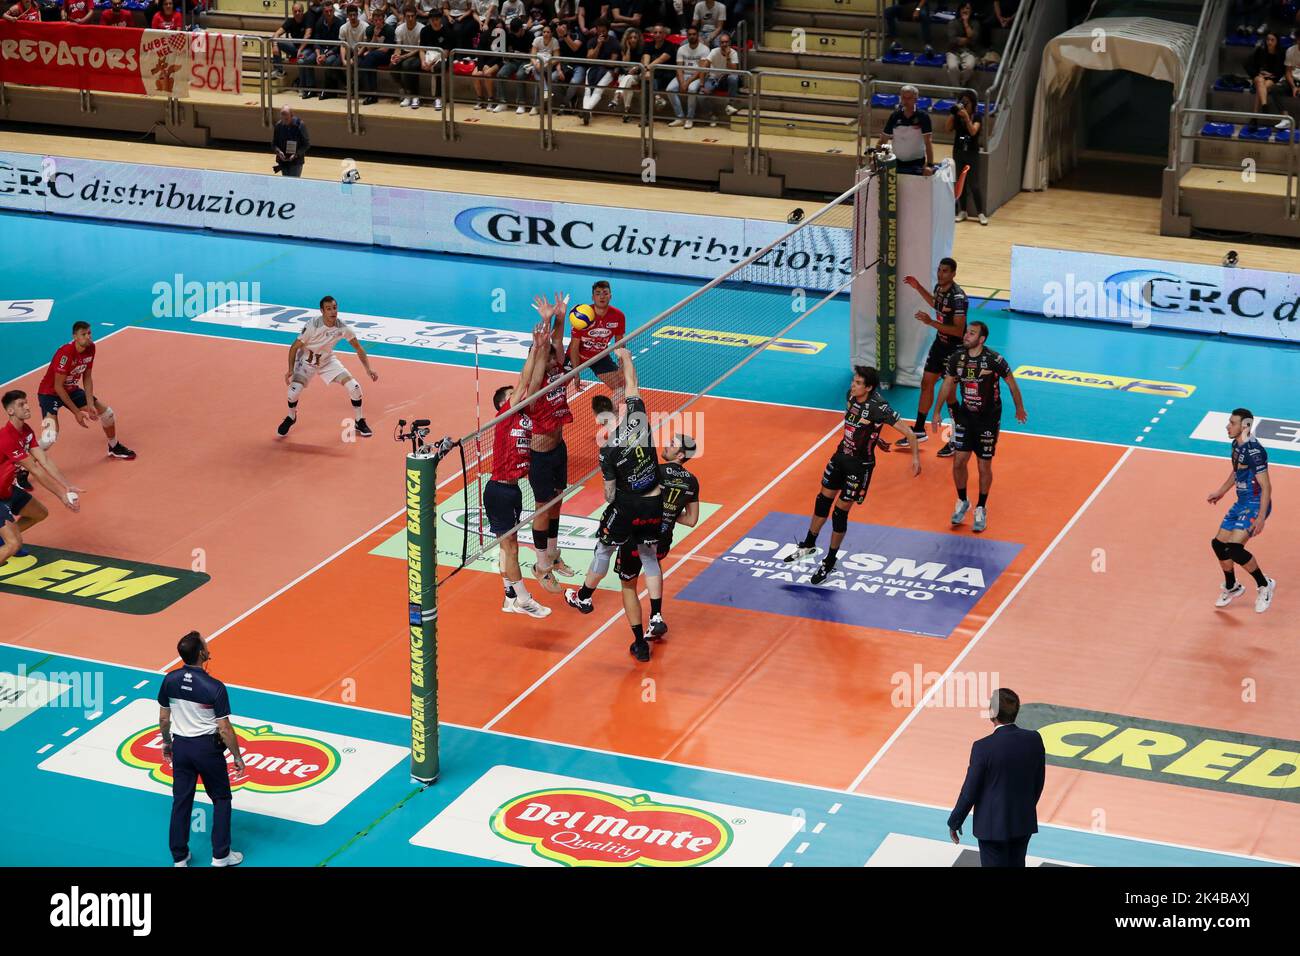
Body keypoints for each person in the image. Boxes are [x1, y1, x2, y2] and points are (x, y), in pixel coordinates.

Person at [564, 348, 662, 662]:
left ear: (600, 420)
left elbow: (608, 494)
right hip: (654, 504)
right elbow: (632, 384)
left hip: (627, 508)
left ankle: (584, 596)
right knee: (647, 554)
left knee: (604, 548)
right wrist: (627, 359)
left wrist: (619, 482)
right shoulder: (638, 418)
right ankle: (657, 615)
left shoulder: (607, 451)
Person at [784, 366, 920, 585]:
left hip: (859, 467)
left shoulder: (879, 407)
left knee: (839, 513)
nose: (852, 385)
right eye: (853, 381)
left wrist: (915, 459)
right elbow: (858, 426)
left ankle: (829, 561)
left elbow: (910, 434)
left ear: (869, 387)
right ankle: (808, 545)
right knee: (822, 501)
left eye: (858, 383)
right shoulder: (851, 396)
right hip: (840, 457)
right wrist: (877, 439)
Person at [485, 302, 561, 619]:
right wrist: (534, 348)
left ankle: (508, 595)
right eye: (513, 394)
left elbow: (533, 377)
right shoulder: (506, 417)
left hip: (513, 489)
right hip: (499, 490)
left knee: (508, 547)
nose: (520, 394)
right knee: (512, 548)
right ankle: (522, 598)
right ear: (504, 403)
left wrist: (542, 341)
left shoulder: (525, 414)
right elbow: (524, 379)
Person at [159, 632, 246, 868]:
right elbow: (225, 729)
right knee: (221, 798)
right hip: (207, 749)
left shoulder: (169, 680)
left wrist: (167, 743)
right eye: (206, 645)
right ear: (201, 654)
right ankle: (220, 856)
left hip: (182, 748)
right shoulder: (214, 687)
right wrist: (237, 756)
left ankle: (179, 858)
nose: (208, 648)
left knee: (181, 800)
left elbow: (164, 719)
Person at [931, 320, 1027, 533]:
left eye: (971, 334)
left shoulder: (994, 360)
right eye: (967, 332)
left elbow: (1011, 383)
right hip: (966, 415)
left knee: (984, 465)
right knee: (959, 462)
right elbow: (948, 383)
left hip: (989, 418)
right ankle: (962, 501)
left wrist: (1019, 408)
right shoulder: (957, 358)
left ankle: (981, 507)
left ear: (981, 339)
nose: (966, 335)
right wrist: (937, 411)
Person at [613, 432, 699, 643]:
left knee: (628, 585)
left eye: (672, 445)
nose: (667, 446)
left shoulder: (655, 472)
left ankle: (638, 640)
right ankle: (656, 616)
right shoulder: (692, 482)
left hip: (638, 535)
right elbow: (691, 520)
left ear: (680, 455)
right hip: (663, 540)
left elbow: (634, 500)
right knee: (653, 565)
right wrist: (670, 512)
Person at [947, 688, 1046, 868]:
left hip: (992, 828)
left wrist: (955, 821)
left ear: (992, 713)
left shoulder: (982, 748)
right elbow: (1038, 782)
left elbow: (970, 791)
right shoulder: (1034, 739)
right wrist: (1025, 808)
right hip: (1022, 822)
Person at [527, 302, 578, 593]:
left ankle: (554, 554)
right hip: (540, 455)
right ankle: (541, 566)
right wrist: (543, 328)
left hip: (559, 447)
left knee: (558, 502)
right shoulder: (535, 385)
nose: (553, 354)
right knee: (542, 509)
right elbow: (542, 348)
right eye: (546, 353)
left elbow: (556, 342)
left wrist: (559, 316)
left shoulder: (557, 370)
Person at [276, 296, 378, 439]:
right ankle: (291, 417)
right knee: (293, 393)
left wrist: (368, 369)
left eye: (335, 308)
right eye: (328, 309)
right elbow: (294, 348)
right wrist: (290, 369)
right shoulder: (313, 325)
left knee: (354, 387)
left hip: (327, 361)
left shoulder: (342, 327)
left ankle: (359, 420)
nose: (332, 312)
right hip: (306, 362)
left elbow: (359, 349)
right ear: (322, 311)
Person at [1207, 408, 1276, 613]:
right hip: (1242, 502)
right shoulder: (1236, 445)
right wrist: (1221, 491)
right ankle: (1232, 586)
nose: (1228, 426)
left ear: (1245, 426)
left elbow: (1266, 487)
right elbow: (1237, 472)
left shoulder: (1254, 452)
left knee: (1235, 549)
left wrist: (1261, 517)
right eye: (1229, 422)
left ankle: (1265, 586)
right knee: (1219, 544)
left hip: (1255, 504)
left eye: (1233, 423)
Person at [37, 321, 136, 461]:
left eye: (89, 333)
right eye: (83, 334)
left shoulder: (91, 348)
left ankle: (113, 447)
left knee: (107, 414)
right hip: (50, 393)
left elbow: (87, 377)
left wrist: (90, 404)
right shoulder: (65, 353)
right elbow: (58, 387)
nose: (88, 337)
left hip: (71, 390)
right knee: (50, 437)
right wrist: (77, 412)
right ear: (75, 337)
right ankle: (21, 467)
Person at [898, 258, 966, 457]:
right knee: (926, 383)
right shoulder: (939, 288)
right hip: (940, 345)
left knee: (950, 395)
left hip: (955, 349)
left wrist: (930, 323)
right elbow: (936, 304)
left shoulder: (959, 297)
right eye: (939, 270)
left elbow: (959, 330)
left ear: (953, 274)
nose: (940, 274)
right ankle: (919, 429)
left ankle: (957, 439)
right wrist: (918, 287)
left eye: (945, 271)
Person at [1, 390, 81, 549]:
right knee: (14, 544)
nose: (27, 407)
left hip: (6, 488)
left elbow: (44, 460)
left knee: (39, 513)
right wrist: (62, 496)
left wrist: (67, 485)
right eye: (21, 404)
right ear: (10, 411)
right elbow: (35, 470)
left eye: (26, 403)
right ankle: (8, 541)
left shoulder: (26, 431)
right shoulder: (6, 437)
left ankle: (3, 540)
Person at [566, 279, 626, 398]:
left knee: (621, 388)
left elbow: (620, 344)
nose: (602, 296)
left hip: (599, 356)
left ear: (610, 296)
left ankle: (613, 414)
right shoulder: (582, 314)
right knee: (555, 387)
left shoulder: (618, 316)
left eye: (605, 293)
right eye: (598, 293)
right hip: (578, 355)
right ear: (593, 297)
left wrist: (622, 365)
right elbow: (574, 346)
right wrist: (576, 373)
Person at [949, 91, 986, 224]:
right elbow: (947, 128)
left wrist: (966, 118)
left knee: (974, 184)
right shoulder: (957, 116)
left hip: (971, 151)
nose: (964, 104)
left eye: (967, 102)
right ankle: (962, 211)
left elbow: (973, 131)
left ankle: (981, 213)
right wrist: (953, 114)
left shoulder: (977, 116)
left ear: (973, 103)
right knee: (960, 183)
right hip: (958, 151)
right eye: (962, 101)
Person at [881, 84, 934, 175]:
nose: (906, 101)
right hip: (896, 161)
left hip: (916, 163)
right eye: (903, 98)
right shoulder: (894, 116)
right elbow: (883, 140)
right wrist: (875, 160)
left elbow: (928, 142)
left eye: (909, 98)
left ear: (915, 99)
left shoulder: (923, 116)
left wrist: (930, 165)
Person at [300, 0, 344, 98]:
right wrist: (318, 54)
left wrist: (326, 55)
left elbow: (339, 44)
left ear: (333, 11)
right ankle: (311, 89)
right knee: (307, 61)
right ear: (323, 12)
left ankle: (328, 90)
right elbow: (316, 40)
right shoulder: (319, 22)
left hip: (334, 51)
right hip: (321, 50)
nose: (329, 13)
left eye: (330, 11)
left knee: (328, 62)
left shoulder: (339, 23)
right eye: (326, 11)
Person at [667, 25, 709, 129]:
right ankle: (680, 117)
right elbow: (679, 68)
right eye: (689, 34)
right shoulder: (681, 49)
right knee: (670, 89)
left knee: (691, 89)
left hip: (698, 76)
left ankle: (690, 118)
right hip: (684, 74)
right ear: (687, 36)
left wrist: (687, 83)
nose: (692, 36)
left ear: (698, 36)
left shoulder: (705, 49)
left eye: (694, 34)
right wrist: (682, 82)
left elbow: (701, 70)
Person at [1246, 32, 1289, 127]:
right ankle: (1264, 105)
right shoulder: (1260, 51)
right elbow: (1247, 64)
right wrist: (1257, 74)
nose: (1269, 42)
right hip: (1260, 77)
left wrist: (1271, 74)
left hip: (1272, 78)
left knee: (1260, 87)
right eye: (1268, 39)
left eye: (1272, 40)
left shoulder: (1281, 53)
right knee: (1259, 81)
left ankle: (1255, 117)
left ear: (1277, 42)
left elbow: (1281, 71)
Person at [357, 7, 396, 104]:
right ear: (372, 20)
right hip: (372, 58)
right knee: (365, 63)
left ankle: (369, 93)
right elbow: (369, 48)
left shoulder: (389, 30)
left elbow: (386, 49)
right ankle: (372, 94)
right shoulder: (369, 29)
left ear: (383, 19)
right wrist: (374, 36)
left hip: (387, 57)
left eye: (380, 20)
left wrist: (370, 53)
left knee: (368, 59)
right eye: (376, 20)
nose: (378, 22)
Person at [392, 4, 425, 108]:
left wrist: (404, 57)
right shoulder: (399, 29)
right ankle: (405, 89)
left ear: (416, 16)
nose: (410, 18)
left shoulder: (422, 29)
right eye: (408, 16)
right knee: (393, 66)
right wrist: (395, 56)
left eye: (412, 16)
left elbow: (419, 48)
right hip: (404, 53)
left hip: (417, 54)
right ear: (404, 16)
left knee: (407, 65)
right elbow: (398, 47)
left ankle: (413, 95)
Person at [945, 2, 981, 87]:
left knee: (969, 67)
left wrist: (966, 23)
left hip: (970, 52)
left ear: (971, 11)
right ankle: (959, 91)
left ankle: (961, 84)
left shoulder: (975, 23)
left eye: (968, 8)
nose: (965, 10)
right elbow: (952, 40)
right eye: (963, 8)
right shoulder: (952, 23)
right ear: (959, 10)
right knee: (953, 68)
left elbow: (974, 40)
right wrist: (969, 39)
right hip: (953, 51)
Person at [273, 3, 311, 79]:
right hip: (294, 48)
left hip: (306, 48)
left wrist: (300, 50)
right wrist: (275, 45)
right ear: (293, 12)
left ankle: (303, 86)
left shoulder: (307, 20)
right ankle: (279, 71)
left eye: (299, 11)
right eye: (295, 11)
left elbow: (308, 35)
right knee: (277, 41)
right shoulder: (290, 21)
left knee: (301, 60)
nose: (297, 13)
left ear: (302, 12)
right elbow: (276, 34)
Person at [273, 105, 310, 176]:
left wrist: (296, 154)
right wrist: (279, 152)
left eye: (286, 119)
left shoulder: (300, 125)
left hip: (296, 162)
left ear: (292, 116)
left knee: (294, 184)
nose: (284, 121)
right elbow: (274, 144)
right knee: (286, 183)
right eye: (282, 119)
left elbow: (306, 144)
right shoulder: (278, 126)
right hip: (283, 161)